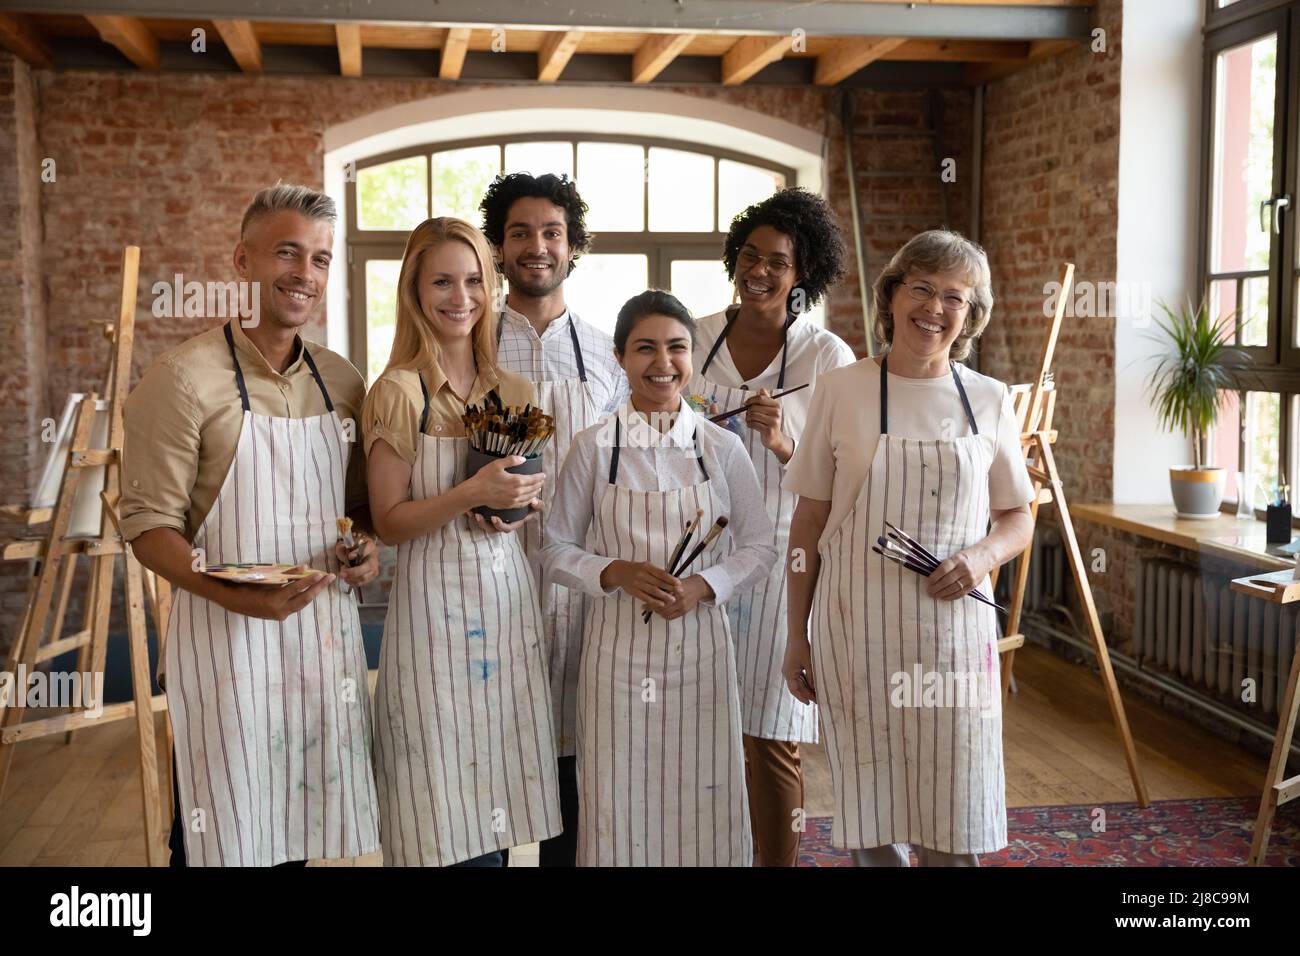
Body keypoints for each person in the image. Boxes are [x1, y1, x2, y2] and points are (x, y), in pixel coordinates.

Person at [122, 184, 381, 867]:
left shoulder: (343, 381)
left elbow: (359, 509)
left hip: (323, 644)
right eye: (287, 252)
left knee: (298, 822)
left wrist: (363, 550)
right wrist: (236, 595)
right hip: (225, 643)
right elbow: (150, 527)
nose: (305, 273)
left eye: (321, 259)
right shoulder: (180, 379)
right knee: (221, 828)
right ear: (242, 260)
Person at [782, 229, 1035, 867]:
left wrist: (979, 558)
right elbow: (808, 521)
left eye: (956, 296)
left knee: (955, 809)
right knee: (869, 807)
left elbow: (1017, 515)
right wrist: (796, 635)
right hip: (854, 630)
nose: (936, 307)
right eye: (921, 288)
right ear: (891, 296)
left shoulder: (989, 399)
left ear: (971, 314)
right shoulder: (841, 390)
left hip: (952, 638)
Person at [541, 289, 778, 866]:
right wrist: (615, 571)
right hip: (617, 660)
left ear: (692, 359)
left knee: (704, 797)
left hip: (700, 654)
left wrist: (704, 586)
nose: (662, 363)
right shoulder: (594, 448)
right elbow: (553, 550)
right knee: (618, 799)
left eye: (676, 348)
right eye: (645, 348)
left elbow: (760, 546)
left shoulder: (721, 448)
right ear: (620, 358)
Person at [363, 216, 560, 867]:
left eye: (474, 280)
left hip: (506, 611)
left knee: (495, 801)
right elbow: (390, 521)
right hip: (431, 623)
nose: (460, 296)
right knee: (436, 810)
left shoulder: (514, 393)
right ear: (415, 291)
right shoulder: (396, 393)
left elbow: (526, 494)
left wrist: (515, 505)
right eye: (442, 280)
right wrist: (469, 494)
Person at [686, 187, 855, 866]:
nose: (758, 270)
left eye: (777, 262)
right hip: (694, 550)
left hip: (784, 556)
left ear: (801, 274)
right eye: (749, 256)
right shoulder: (695, 339)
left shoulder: (826, 359)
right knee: (698, 725)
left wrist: (785, 444)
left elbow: (845, 479)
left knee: (770, 735)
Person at [479, 172, 627, 867]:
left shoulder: (610, 354)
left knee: (577, 765)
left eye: (551, 233)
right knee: (496, 756)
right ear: (498, 246)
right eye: (520, 232)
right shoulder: (469, 346)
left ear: (574, 247)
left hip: (583, 587)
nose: (536, 246)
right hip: (487, 578)